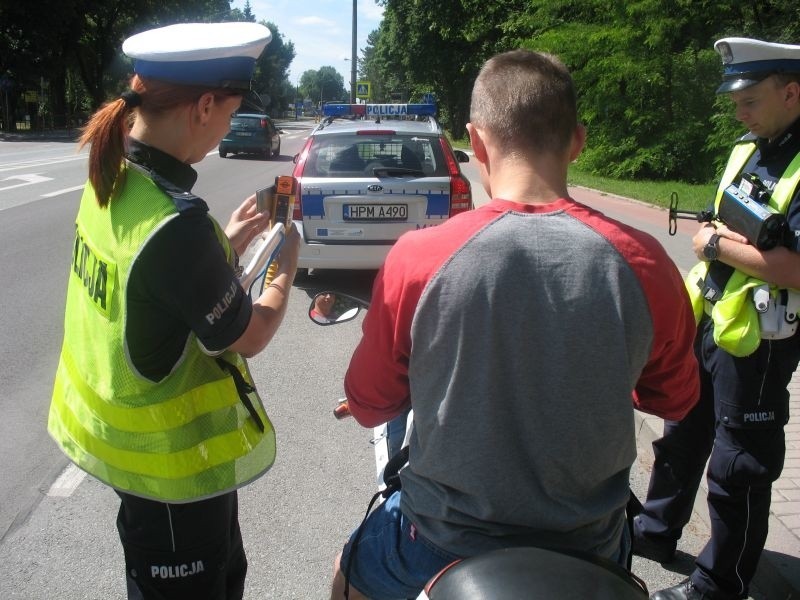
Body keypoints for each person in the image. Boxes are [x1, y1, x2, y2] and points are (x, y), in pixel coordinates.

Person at [328, 49, 700, 600]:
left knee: (347, 570)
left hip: (438, 539)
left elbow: (369, 404)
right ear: (578, 140)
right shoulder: (645, 262)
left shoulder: (418, 258)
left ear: (477, 143)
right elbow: (676, 399)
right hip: (591, 544)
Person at [46, 22, 300, 599]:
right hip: (173, 481)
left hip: (127, 456)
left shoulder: (113, 173)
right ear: (205, 106)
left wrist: (225, 246)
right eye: (231, 113)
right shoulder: (176, 223)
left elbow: (152, 286)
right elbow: (250, 333)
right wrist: (285, 268)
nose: (228, 128)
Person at [633, 37, 800, 600]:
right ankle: (655, 533)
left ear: (792, 92)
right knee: (680, 437)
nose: (738, 111)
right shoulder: (749, 148)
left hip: (761, 342)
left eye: (749, 100)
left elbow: (794, 267)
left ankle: (717, 586)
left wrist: (713, 246)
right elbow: (722, 218)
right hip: (712, 322)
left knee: (739, 470)